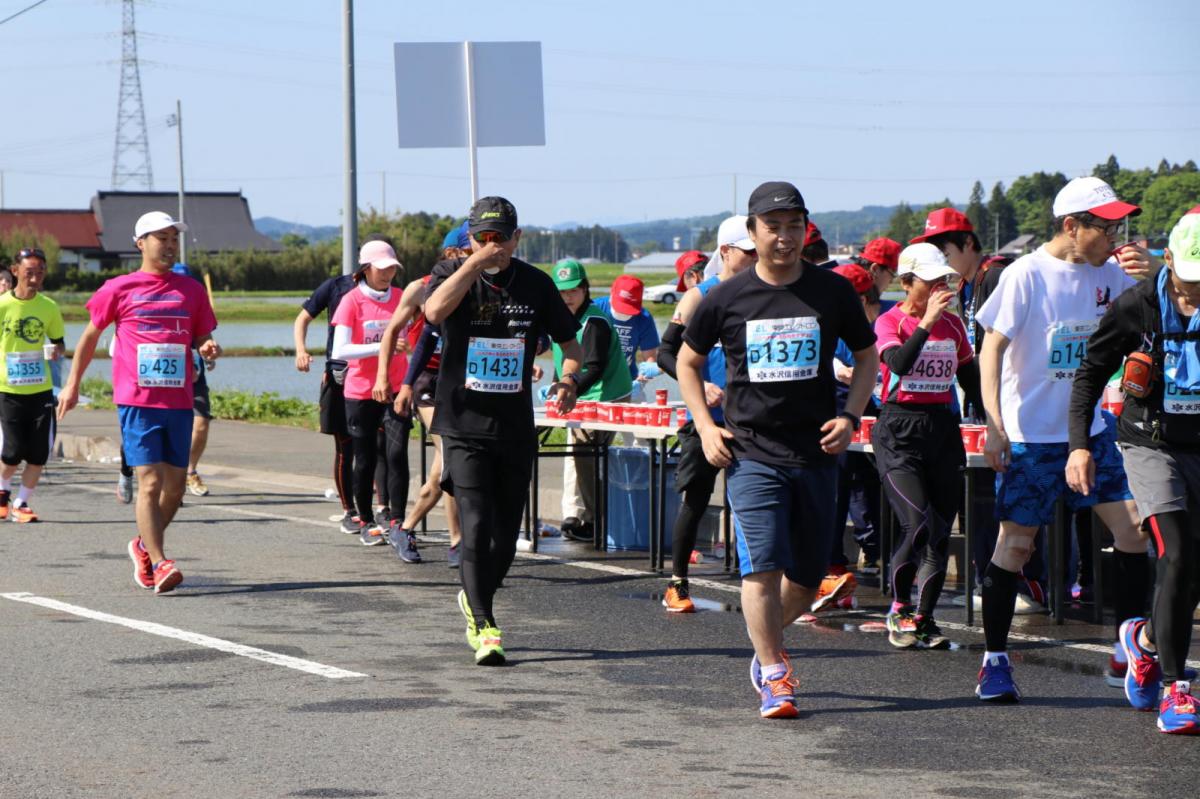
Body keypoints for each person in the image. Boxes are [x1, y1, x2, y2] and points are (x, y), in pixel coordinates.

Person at [677, 182, 878, 718]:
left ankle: (764, 642)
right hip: (751, 454)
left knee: (807, 582)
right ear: (753, 232)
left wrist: (850, 416)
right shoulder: (726, 296)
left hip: (816, 452)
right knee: (760, 568)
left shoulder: (831, 292)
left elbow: (867, 356)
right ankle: (774, 672)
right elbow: (687, 363)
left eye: (795, 226)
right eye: (774, 227)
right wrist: (704, 425)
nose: (785, 238)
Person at [973, 177, 1151, 702]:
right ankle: (996, 659)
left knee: (1135, 530)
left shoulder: (1115, 274)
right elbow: (991, 349)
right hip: (1032, 436)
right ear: (1072, 226)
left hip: (1093, 431)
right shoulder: (1026, 274)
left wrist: (1155, 275)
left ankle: (1132, 644)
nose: (1115, 235)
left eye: (1120, 224)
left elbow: (1166, 313)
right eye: (1105, 226)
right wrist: (994, 424)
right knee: (1017, 545)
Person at [424, 196, 583, 666]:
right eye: (482, 238)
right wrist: (473, 264)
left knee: (505, 535)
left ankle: (475, 598)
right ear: (471, 238)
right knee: (474, 526)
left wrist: (568, 377)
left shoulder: (535, 284)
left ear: (518, 238)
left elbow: (569, 343)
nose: (492, 246)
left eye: (500, 238)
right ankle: (486, 623)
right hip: (463, 423)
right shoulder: (451, 275)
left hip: (513, 426)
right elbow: (433, 313)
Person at [1067, 210, 1200, 734]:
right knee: (1175, 552)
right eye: (1190, 281)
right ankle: (1177, 688)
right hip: (1150, 443)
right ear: (1168, 261)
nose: (1196, 292)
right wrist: (1080, 447)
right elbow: (1089, 374)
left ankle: (1142, 640)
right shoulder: (1135, 307)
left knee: (1193, 569)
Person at [59, 211, 220, 594]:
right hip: (137, 401)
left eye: (172, 239)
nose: (168, 245)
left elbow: (202, 336)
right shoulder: (118, 288)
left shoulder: (191, 290)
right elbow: (89, 338)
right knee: (149, 483)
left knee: (176, 489)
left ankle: (142, 545)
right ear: (140, 244)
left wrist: (207, 346)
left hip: (178, 399)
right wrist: (72, 384)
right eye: (160, 238)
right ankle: (162, 561)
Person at [873, 244, 982, 649]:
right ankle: (899, 607)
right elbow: (898, 364)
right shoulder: (890, 321)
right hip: (898, 431)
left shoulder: (953, 327)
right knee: (915, 524)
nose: (941, 287)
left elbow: (972, 381)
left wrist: (995, 422)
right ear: (906, 283)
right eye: (931, 281)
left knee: (937, 534)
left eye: (945, 280)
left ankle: (925, 618)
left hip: (942, 429)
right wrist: (926, 322)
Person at [656, 214, 757, 612]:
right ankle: (677, 582)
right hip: (706, 422)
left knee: (756, 503)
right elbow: (667, 353)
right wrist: (701, 386)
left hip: (750, 420)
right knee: (695, 501)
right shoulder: (701, 295)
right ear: (726, 252)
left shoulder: (763, 293)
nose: (754, 258)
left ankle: (767, 583)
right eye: (747, 252)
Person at [373, 253, 464, 567]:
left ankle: (405, 528)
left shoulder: (475, 285)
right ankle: (456, 542)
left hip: (457, 378)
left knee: (441, 472)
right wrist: (385, 376)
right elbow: (392, 332)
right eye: (458, 256)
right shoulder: (419, 288)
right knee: (452, 455)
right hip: (425, 379)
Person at [330, 240, 414, 555]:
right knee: (363, 458)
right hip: (361, 391)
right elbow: (341, 350)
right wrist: (385, 346)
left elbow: (412, 336)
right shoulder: (351, 301)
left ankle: (398, 522)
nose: (389, 274)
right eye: (382, 269)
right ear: (366, 269)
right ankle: (365, 520)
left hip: (396, 389)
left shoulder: (402, 297)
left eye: (393, 268)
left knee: (396, 455)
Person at [552, 259, 633, 543]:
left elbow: (595, 366)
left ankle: (595, 521)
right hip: (581, 392)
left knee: (587, 455)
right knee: (578, 455)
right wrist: (555, 384)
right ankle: (583, 516)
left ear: (585, 289)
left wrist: (569, 389)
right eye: (562, 292)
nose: (568, 296)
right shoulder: (559, 317)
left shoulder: (595, 320)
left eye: (573, 290)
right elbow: (562, 357)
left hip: (607, 394)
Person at [821, 263, 883, 604]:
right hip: (833, 411)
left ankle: (870, 552)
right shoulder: (828, 321)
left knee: (864, 485)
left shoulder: (866, 323)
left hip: (862, 411)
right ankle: (830, 567)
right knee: (836, 489)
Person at [0, 248, 65, 523]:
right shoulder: (2, 305)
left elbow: (59, 341)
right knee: (12, 452)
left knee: (39, 452)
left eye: (40, 272)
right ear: (15, 272)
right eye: (29, 272)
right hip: (8, 388)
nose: (35, 277)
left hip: (40, 389)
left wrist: (57, 350)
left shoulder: (49, 307)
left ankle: (22, 502)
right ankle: (2, 492)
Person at [294, 257, 359, 533]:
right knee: (345, 447)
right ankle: (350, 510)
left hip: (375, 377)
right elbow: (303, 318)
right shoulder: (336, 286)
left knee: (378, 448)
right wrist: (301, 349)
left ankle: (383, 511)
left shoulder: (392, 293)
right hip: (340, 376)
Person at [592, 274, 659, 403]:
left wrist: (643, 379)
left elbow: (650, 357)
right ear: (612, 293)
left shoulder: (644, 318)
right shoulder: (595, 308)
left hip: (627, 381)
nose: (623, 312)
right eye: (621, 305)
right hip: (593, 383)